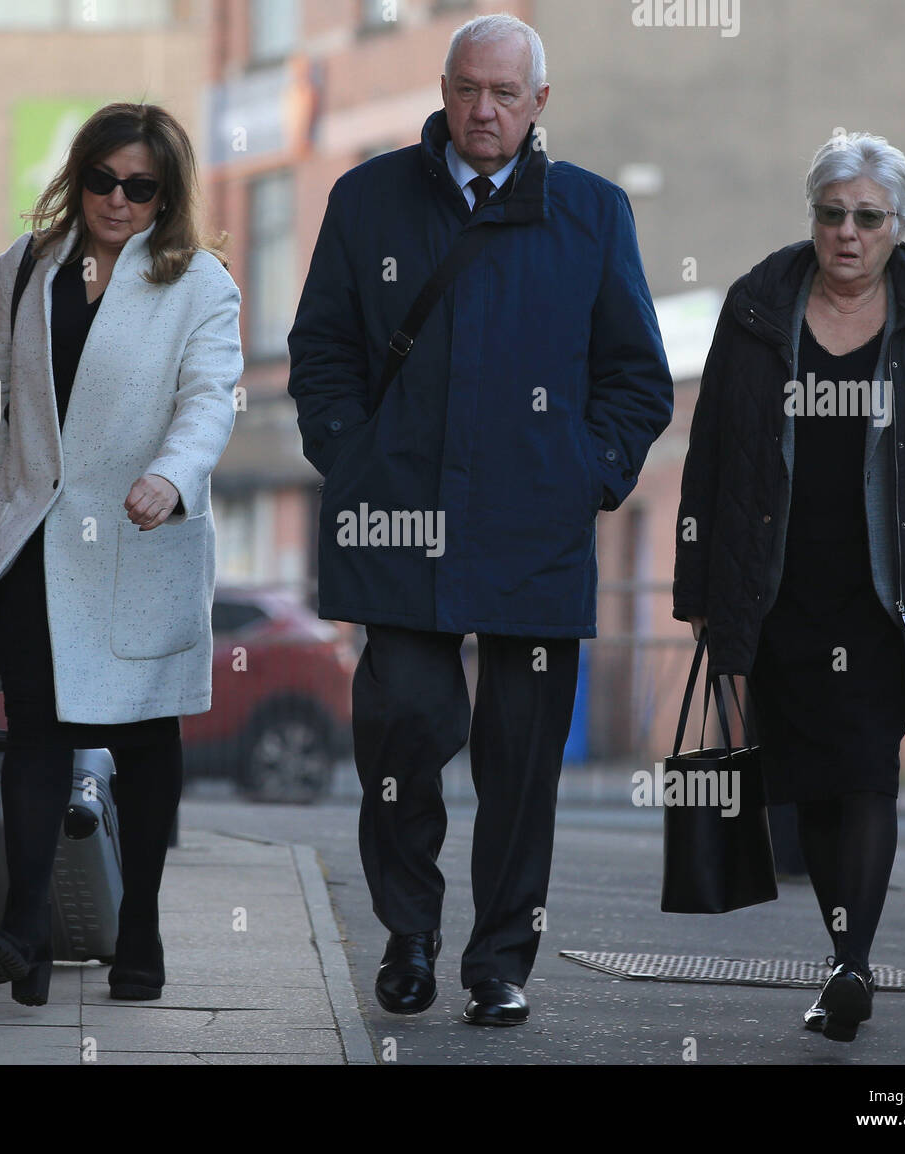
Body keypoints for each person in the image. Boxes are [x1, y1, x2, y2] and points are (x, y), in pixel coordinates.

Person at [288, 14, 673, 1027]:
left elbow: (637, 375)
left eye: (505, 93)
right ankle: (408, 929)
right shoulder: (367, 198)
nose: (483, 110)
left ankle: (499, 959)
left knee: (520, 763)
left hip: (533, 532)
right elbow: (320, 345)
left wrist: (586, 470)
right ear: (443, 87)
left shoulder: (591, 212)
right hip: (396, 523)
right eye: (467, 89)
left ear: (539, 103)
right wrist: (350, 450)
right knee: (404, 730)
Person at [673, 132, 905, 1042]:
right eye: (833, 215)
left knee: (866, 771)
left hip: (883, 592)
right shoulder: (756, 306)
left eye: (869, 218)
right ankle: (840, 950)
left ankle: (852, 965)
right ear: (813, 218)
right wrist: (697, 581)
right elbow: (708, 455)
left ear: (898, 225)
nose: (849, 234)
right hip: (779, 585)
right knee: (811, 783)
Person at [0, 102, 242, 1006]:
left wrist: (172, 477)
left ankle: (138, 930)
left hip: (142, 541)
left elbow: (210, 399)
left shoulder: (200, 283)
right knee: (38, 736)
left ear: (164, 194)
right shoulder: (26, 268)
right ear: (79, 175)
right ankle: (25, 930)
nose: (116, 200)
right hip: (36, 539)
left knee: (142, 741)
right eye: (101, 179)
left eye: (139, 187)